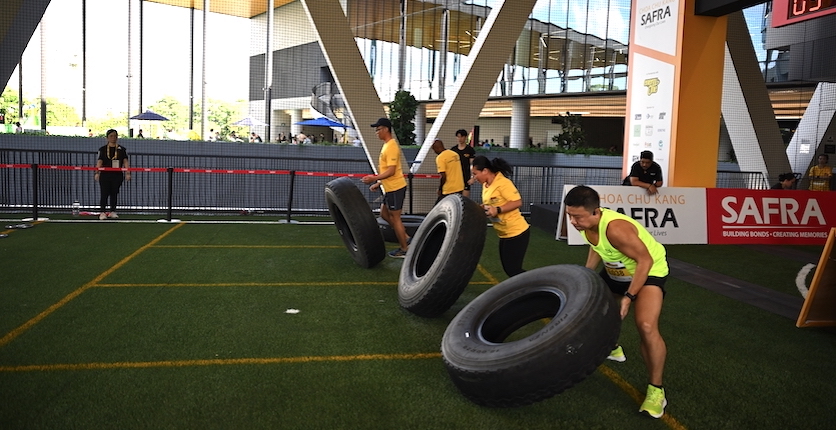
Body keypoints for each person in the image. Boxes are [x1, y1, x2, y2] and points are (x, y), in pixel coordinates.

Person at [563, 185, 669, 419]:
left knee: (646, 326)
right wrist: (586, 276)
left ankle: (656, 392)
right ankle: (613, 347)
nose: (573, 221)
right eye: (570, 215)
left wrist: (629, 297)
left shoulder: (617, 229)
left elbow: (645, 261)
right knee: (595, 311)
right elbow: (596, 248)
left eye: (577, 216)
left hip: (648, 271)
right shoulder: (585, 225)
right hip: (616, 271)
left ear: (595, 212)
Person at [470, 156, 529, 277]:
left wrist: (497, 209)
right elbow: (492, 203)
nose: (474, 178)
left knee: (513, 270)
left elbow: (517, 202)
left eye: (475, 174)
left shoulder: (503, 183)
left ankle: (538, 286)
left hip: (517, 232)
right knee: (510, 269)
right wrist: (483, 208)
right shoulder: (486, 185)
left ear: (485, 171)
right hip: (504, 233)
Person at [361, 117, 410, 258]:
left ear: (386, 129)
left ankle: (404, 249)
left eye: (378, 129)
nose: (376, 132)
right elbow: (388, 172)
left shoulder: (392, 146)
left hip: (396, 188)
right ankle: (406, 237)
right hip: (390, 187)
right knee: (384, 214)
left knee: (396, 219)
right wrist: (379, 183)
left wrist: (373, 178)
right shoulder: (387, 145)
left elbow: (392, 171)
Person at [95, 129, 131, 220]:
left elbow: (125, 161)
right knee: (104, 193)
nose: (113, 138)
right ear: (107, 138)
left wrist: (128, 173)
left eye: (115, 136)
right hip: (105, 175)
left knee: (114, 193)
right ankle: (102, 212)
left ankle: (112, 211)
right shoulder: (102, 149)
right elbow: (99, 161)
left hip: (117, 175)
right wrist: (97, 172)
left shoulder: (122, 149)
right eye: (111, 136)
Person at [432, 139, 464, 204]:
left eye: (434, 149)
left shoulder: (440, 158)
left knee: (437, 208)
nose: (434, 152)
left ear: (437, 148)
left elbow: (443, 176)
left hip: (449, 189)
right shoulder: (455, 154)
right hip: (459, 187)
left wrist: (440, 188)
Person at [450, 129, 476, 197]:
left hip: (466, 177)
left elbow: (472, 164)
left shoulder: (469, 150)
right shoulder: (453, 150)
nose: (460, 139)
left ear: (465, 137)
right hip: (455, 178)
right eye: (458, 137)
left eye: (461, 137)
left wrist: (473, 177)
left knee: (465, 200)